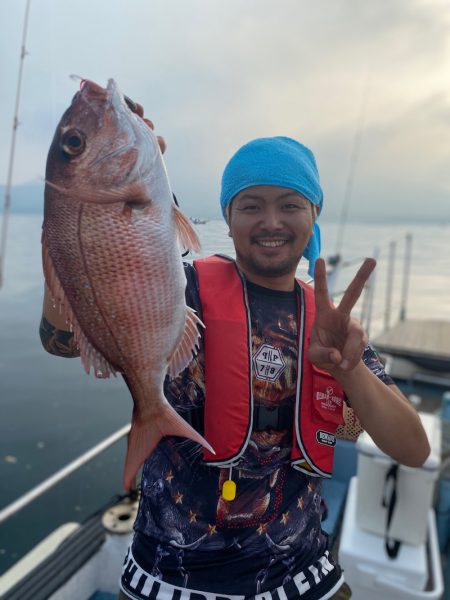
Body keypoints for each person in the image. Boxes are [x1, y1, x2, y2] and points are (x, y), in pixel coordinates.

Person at [40, 113, 430, 600]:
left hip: (301, 575)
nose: (271, 222)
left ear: (313, 217)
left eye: (290, 204)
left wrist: (349, 371)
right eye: (251, 205)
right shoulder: (181, 291)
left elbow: (413, 450)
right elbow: (59, 339)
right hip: (166, 577)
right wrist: (81, 213)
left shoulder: (329, 323)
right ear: (228, 217)